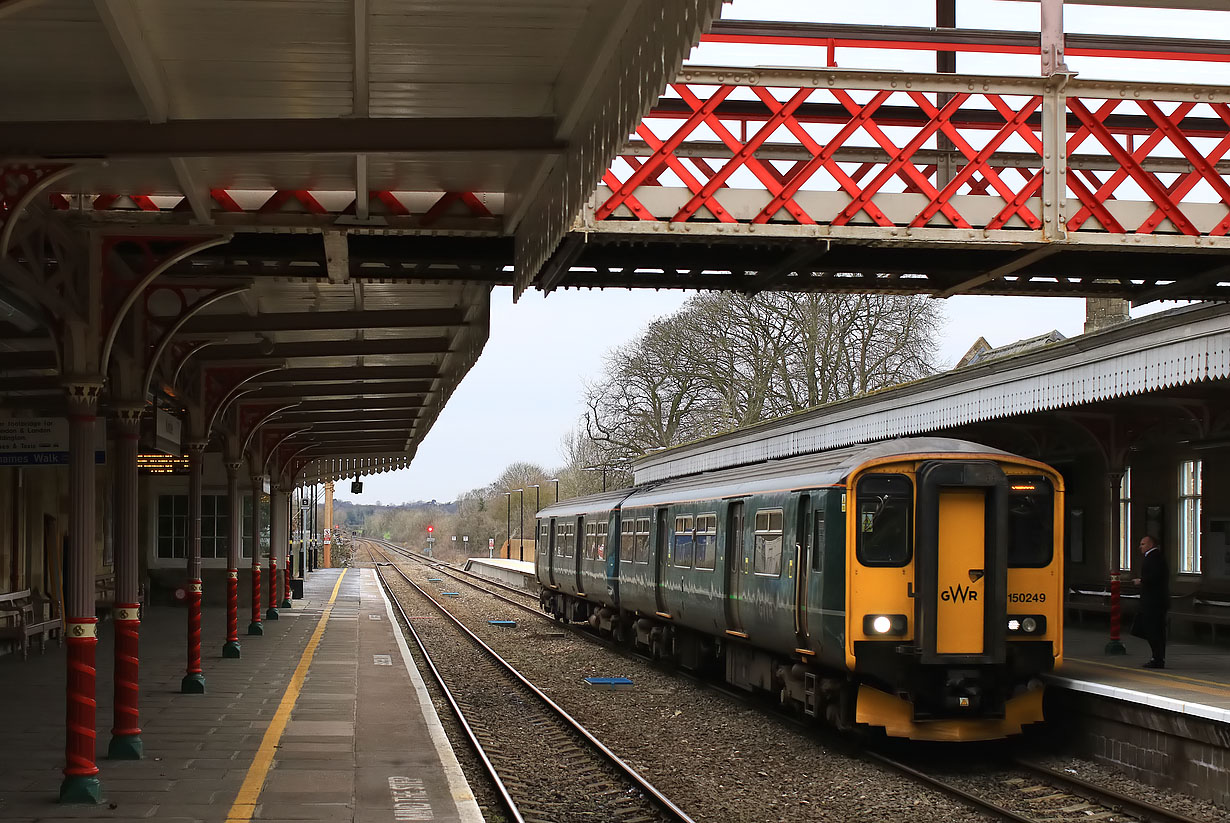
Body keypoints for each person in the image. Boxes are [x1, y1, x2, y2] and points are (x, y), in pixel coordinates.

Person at [1131, 535, 1169, 668]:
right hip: (1154, 601)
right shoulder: (1154, 557)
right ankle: (1157, 657)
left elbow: (1155, 576)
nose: (1140, 547)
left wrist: (1141, 580)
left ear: (1150, 544)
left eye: (1143, 544)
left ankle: (1157, 659)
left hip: (1154, 602)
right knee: (1153, 630)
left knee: (1154, 630)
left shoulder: (1154, 557)